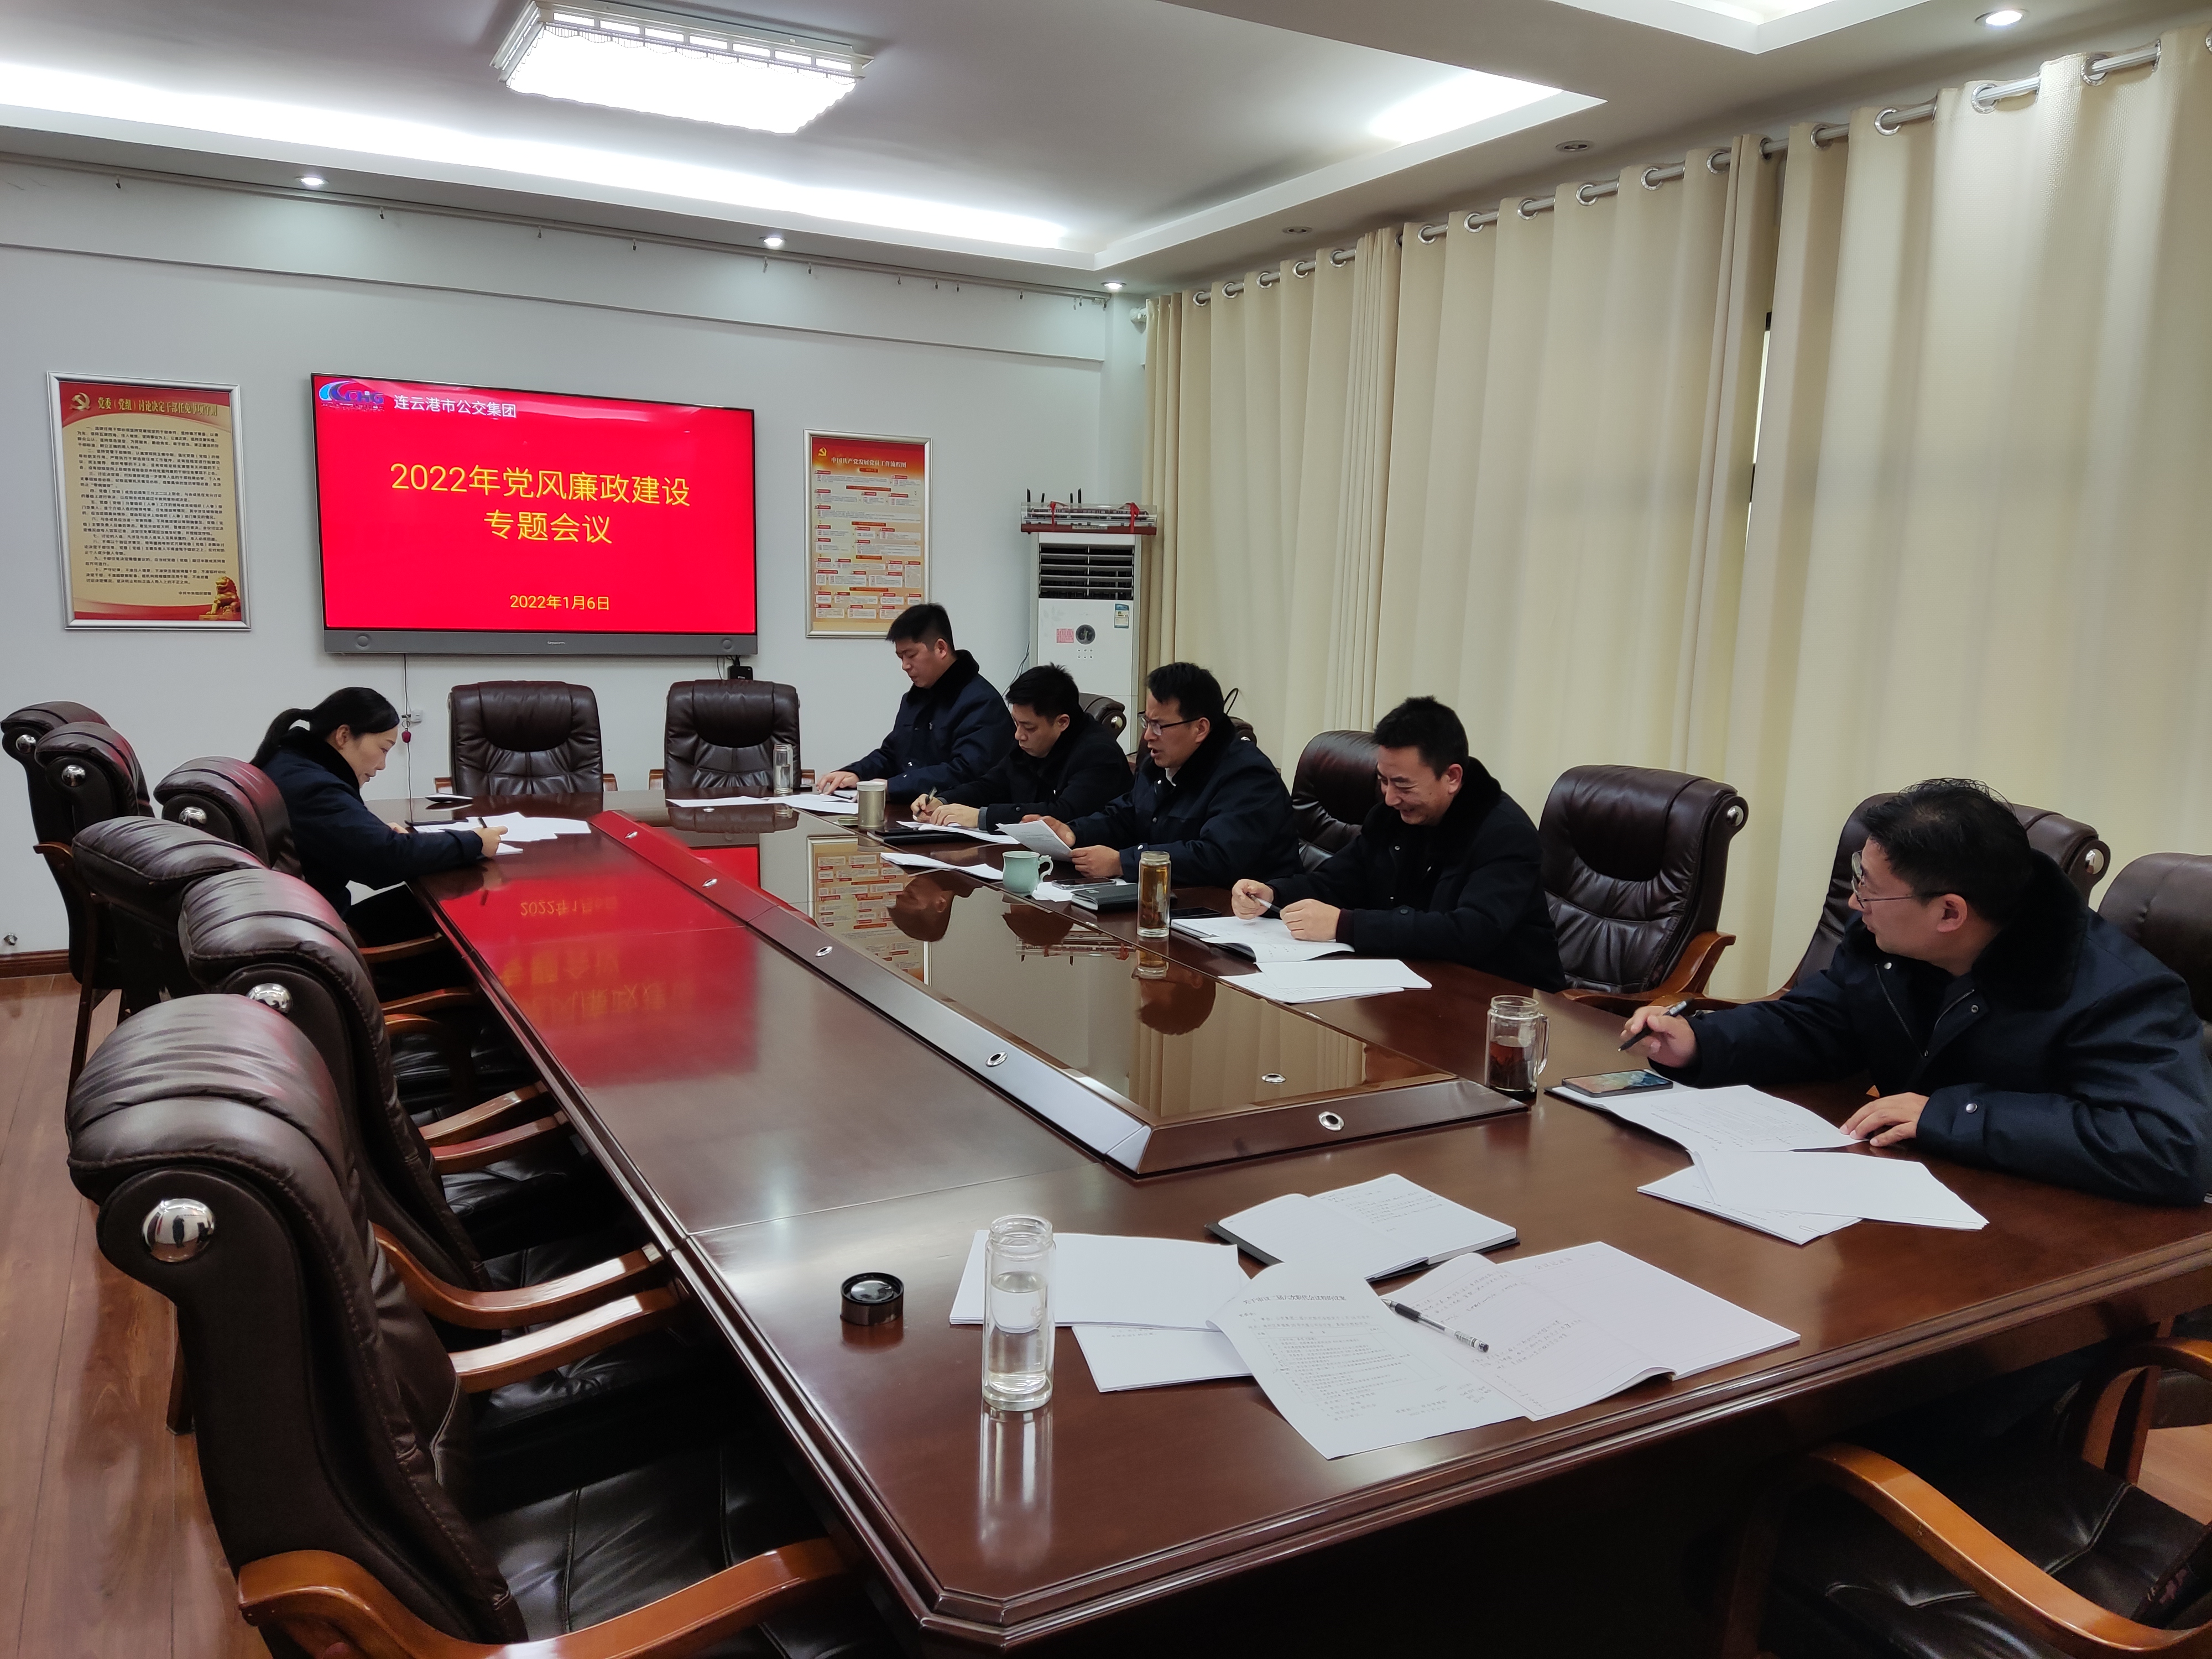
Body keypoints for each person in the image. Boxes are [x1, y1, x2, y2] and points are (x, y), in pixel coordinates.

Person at [1622, 778, 2212, 1206]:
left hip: (2057, 1247)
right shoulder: (1890, 947)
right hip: (1920, 1200)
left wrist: (1951, 1116)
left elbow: (2170, 1148)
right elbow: (1820, 1023)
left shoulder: (2119, 992)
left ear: (1949, 912)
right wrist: (1701, 1041)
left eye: (1869, 888)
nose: (1854, 901)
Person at [1229, 696, 1565, 988]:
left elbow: (1470, 931)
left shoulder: (1505, 834)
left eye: (1403, 785)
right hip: (1411, 981)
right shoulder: (1392, 817)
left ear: (1452, 777)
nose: (1390, 798)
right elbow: (1337, 882)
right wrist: (1273, 895)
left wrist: (1345, 925)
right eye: (1383, 781)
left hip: (1499, 1001)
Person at [254, 687, 504, 925]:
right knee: (465, 904)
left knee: (437, 896)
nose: (383, 765)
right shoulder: (314, 787)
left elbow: (363, 844)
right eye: (384, 749)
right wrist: (475, 842)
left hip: (309, 920)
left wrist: (377, 835)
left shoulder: (291, 763)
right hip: (327, 933)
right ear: (343, 736)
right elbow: (385, 860)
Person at [1039, 662, 1298, 886]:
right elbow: (1126, 816)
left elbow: (1217, 857)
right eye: (1147, 722)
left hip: (1243, 913)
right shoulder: (1161, 765)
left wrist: (1124, 863)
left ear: (1200, 729)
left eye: (1159, 725)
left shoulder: (1249, 777)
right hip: (1173, 899)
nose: (1147, 736)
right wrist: (1073, 832)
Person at [818, 604, 1013, 799]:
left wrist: (893, 786)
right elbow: (893, 754)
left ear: (941, 648)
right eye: (900, 657)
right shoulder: (915, 698)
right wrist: (857, 773)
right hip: (913, 810)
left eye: (911, 655)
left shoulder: (982, 703)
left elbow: (966, 772)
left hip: (956, 812)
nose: (905, 666)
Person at [912, 664, 1129, 832]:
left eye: (1029, 727)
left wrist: (981, 817)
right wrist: (944, 801)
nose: (1018, 735)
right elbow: (992, 785)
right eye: (1016, 723)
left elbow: (1064, 813)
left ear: (1062, 722)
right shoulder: (1028, 743)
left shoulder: (1099, 754)